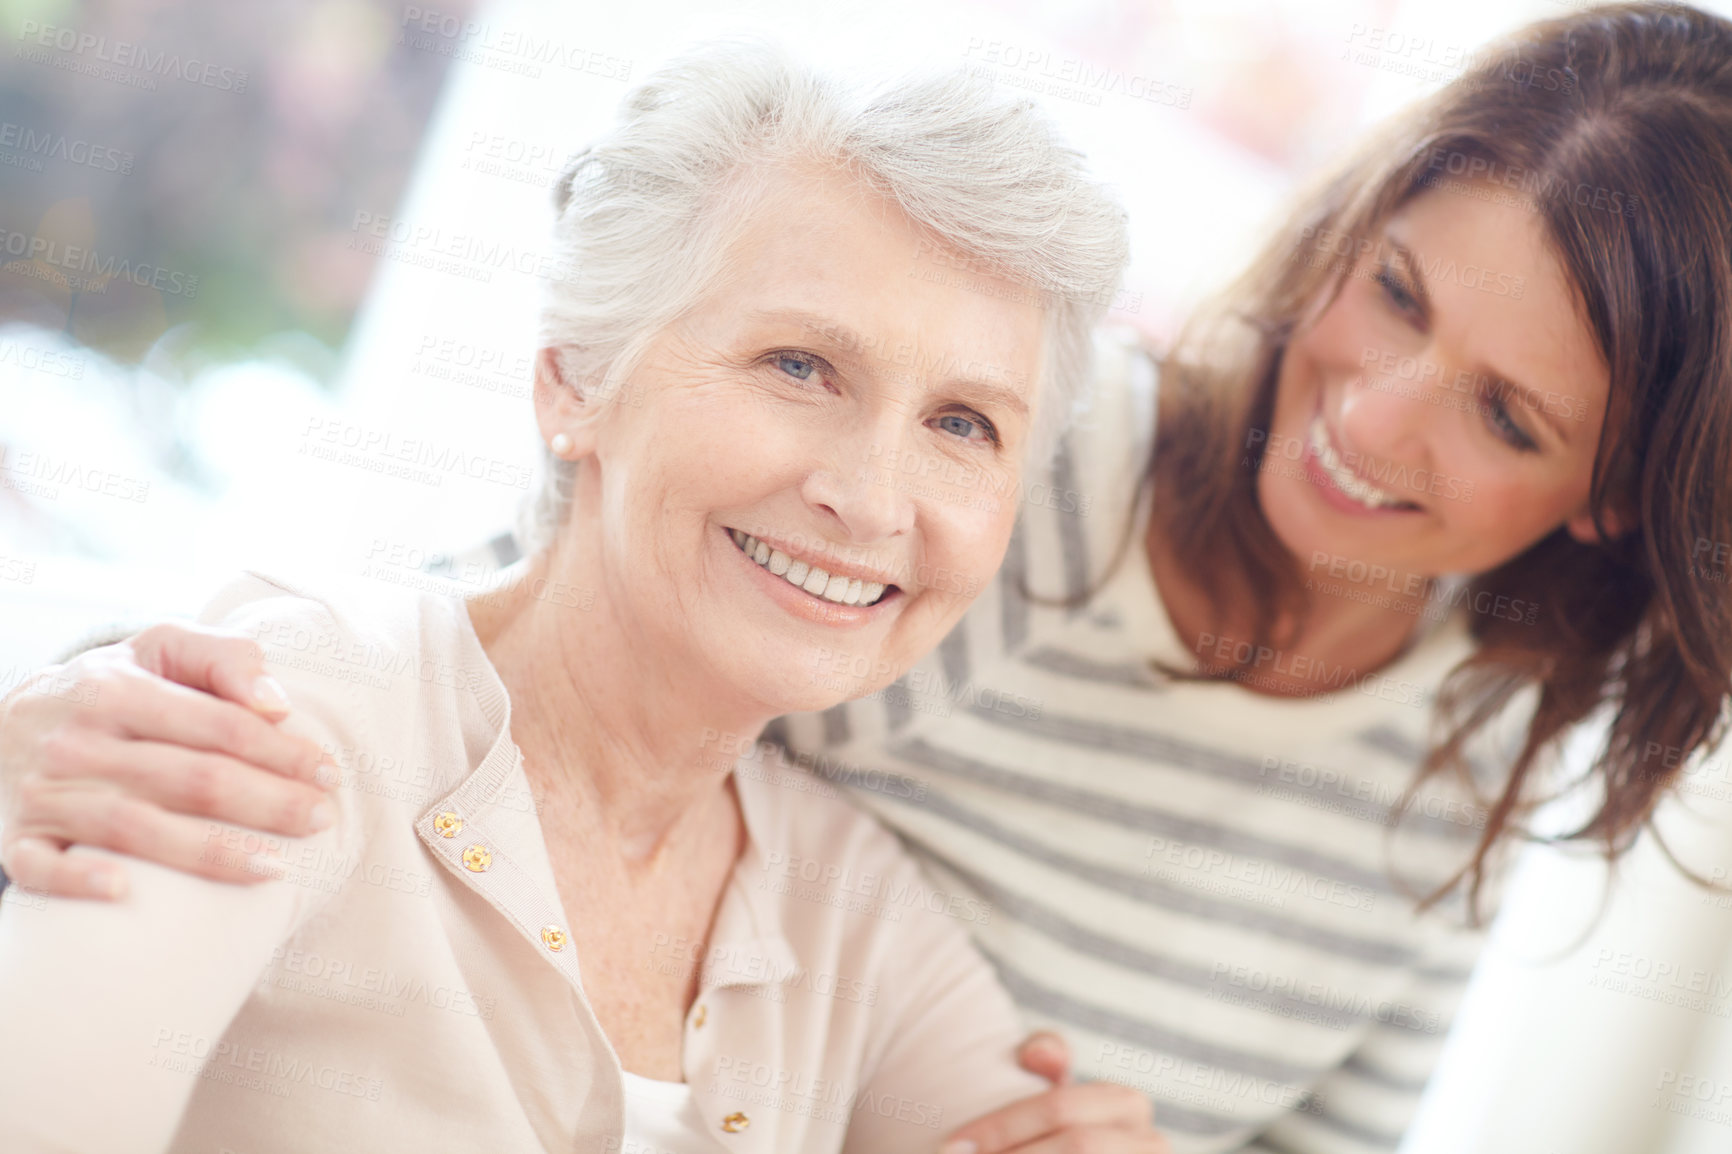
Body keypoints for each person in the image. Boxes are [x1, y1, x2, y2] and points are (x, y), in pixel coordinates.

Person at [7, 3, 1732, 1151]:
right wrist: (57, 721)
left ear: (1611, 498)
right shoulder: (1037, 472)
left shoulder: (1448, 766)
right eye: (1398, 295)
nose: (1367, 411)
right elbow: (520, 636)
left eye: (1504, 414)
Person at [0, 42, 1170, 1154]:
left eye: (961, 422)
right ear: (575, 378)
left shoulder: (854, 913)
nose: (870, 499)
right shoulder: (285, 719)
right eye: (798, 365)